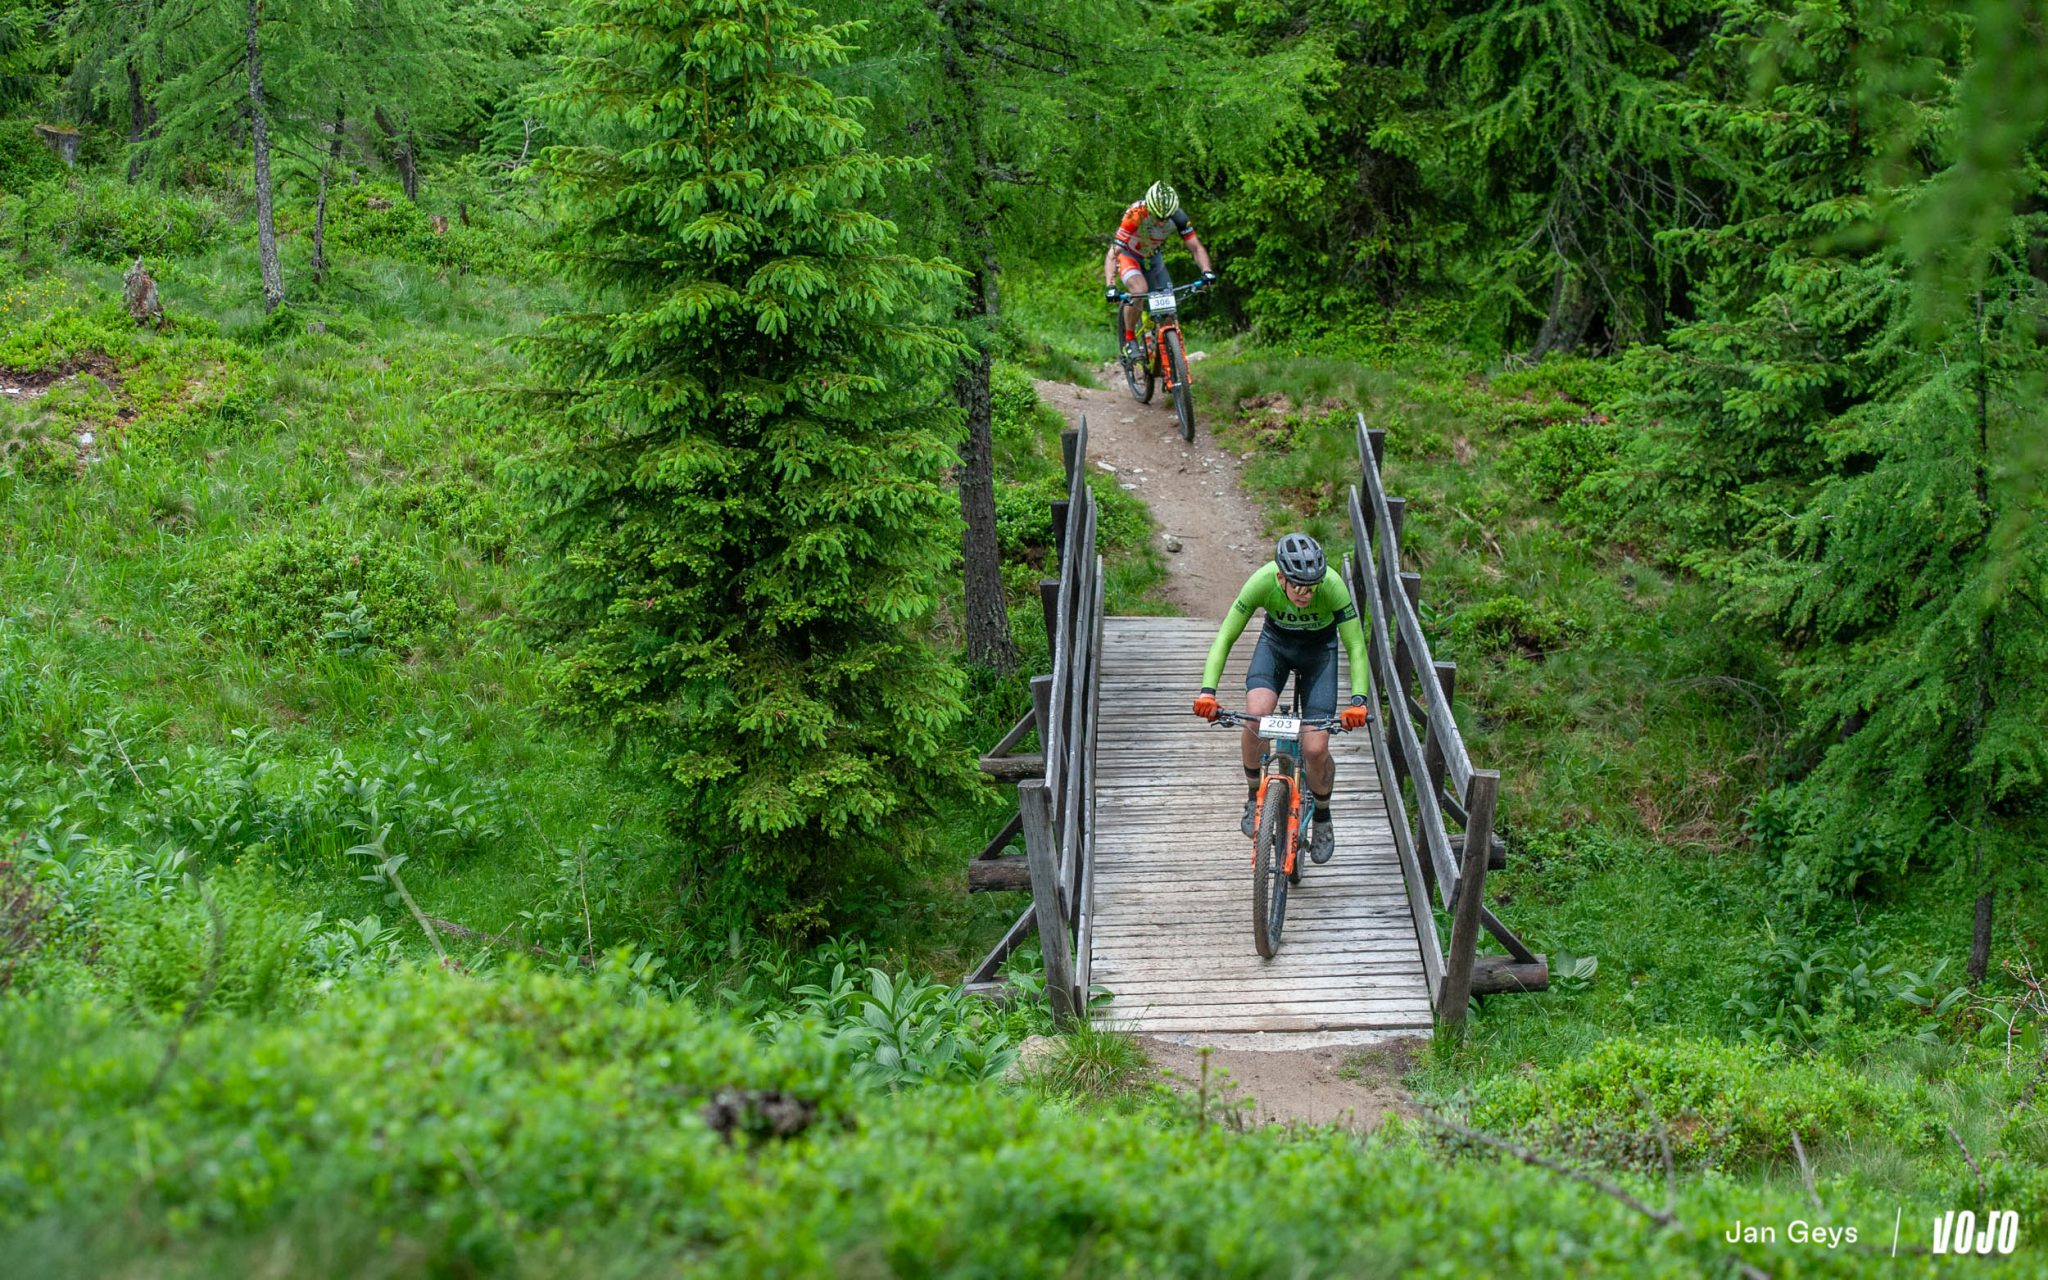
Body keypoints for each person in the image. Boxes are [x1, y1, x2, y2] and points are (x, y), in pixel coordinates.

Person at [1192, 533, 1371, 863]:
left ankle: (1322, 816)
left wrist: (1359, 701)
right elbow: (1226, 637)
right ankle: (1252, 796)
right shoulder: (1261, 581)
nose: (1306, 595)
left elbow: (1356, 646)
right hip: (1276, 646)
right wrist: (1208, 692)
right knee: (1255, 717)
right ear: (1279, 578)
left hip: (1320, 653)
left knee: (1316, 747)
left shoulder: (1332, 585)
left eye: (1312, 587)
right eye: (1298, 587)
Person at [1103, 181, 1215, 364]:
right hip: (1128, 255)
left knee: (1169, 309)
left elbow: (1196, 247)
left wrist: (1207, 271)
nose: (1161, 222)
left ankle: (1172, 363)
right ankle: (1130, 339)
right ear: (1149, 208)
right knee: (1139, 290)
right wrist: (1111, 286)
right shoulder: (1135, 215)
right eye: (1157, 217)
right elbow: (1112, 254)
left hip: (1153, 257)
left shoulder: (1178, 217)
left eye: (1165, 218)